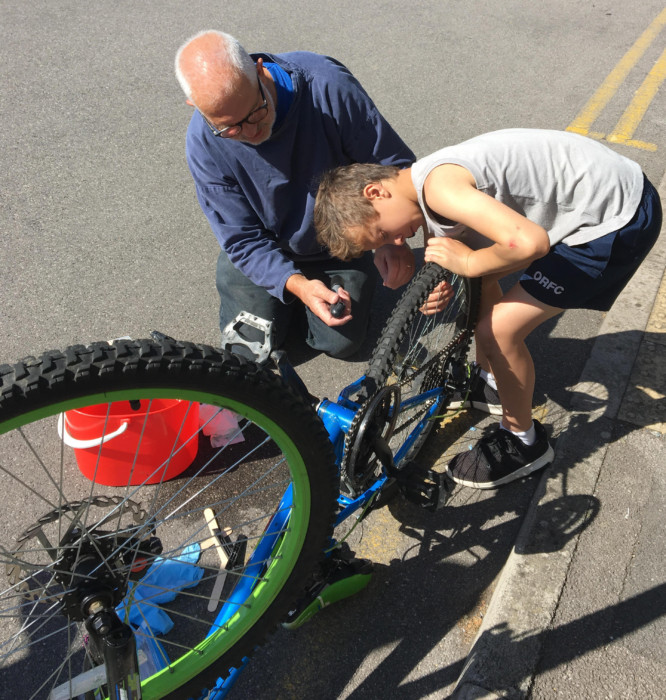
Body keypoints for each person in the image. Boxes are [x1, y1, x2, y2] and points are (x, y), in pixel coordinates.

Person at [314, 128, 662, 488]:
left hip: (617, 219)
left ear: (376, 192)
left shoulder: (440, 189)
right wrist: (455, 274)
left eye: (384, 234)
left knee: (499, 328)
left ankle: (523, 441)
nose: (397, 242)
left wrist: (469, 264)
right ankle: (492, 381)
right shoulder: (423, 183)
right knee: (481, 282)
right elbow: (469, 255)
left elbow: (529, 242)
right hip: (607, 188)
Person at [174, 30, 415, 358]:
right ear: (196, 106)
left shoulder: (327, 88)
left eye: (256, 112)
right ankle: (278, 294)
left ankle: (304, 297)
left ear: (260, 70)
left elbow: (395, 169)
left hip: (340, 244)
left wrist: (392, 239)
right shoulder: (203, 142)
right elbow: (242, 239)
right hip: (265, 245)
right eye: (230, 128)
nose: (251, 132)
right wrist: (298, 285)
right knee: (249, 351)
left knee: (340, 343)